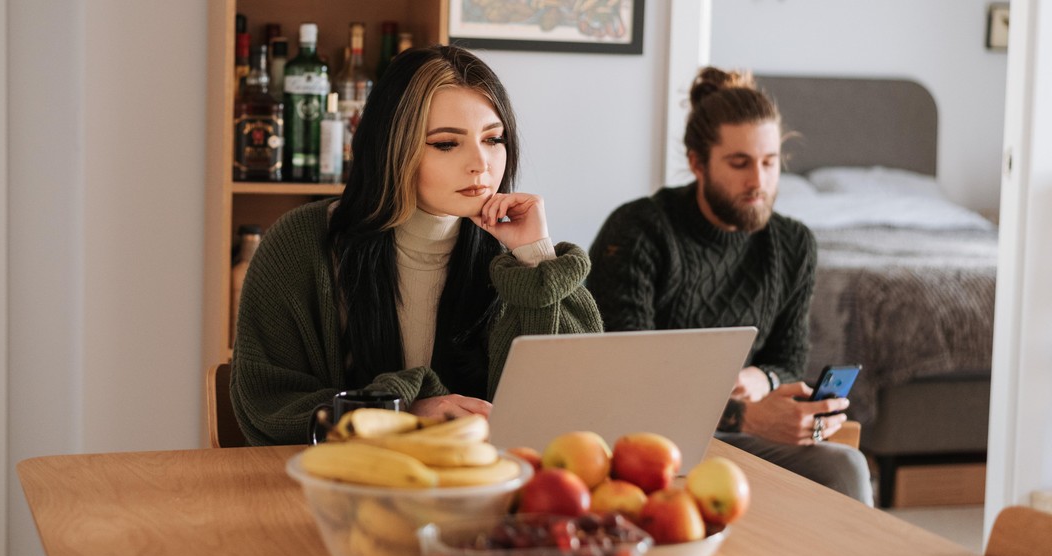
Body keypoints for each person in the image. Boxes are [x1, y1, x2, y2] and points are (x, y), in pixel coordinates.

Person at [231, 45, 602, 446]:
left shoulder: (513, 251)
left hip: (487, 488)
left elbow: (578, 400)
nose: (481, 164)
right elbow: (267, 404)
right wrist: (401, 411)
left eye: (493, 139)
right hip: (336, 488)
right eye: (446, 143)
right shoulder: (303, 243)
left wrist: (536, 259)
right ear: (392, 147)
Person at [587, 67, 873, 505]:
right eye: (739, 164)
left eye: (769, 162)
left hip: (735, 432)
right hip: (647, 436)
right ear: (697, 163)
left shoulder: (793, 244)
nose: (758, 182)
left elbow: (790, 357)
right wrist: (746, 417)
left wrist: (764, 377)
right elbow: (628, 375)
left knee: (846, 465)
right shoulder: (638, 231)